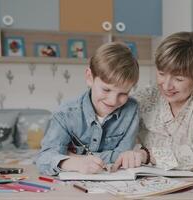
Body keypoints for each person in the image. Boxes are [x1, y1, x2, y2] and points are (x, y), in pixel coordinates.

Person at [112, 31, 193, 171]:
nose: (166, 86)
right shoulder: (147, 97)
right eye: (161, 74)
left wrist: (149, 155)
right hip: (159, 184)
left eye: (178, 79)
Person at [36, 42, 141, 175]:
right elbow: (44, 158)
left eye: (123, 93)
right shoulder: (65, 113)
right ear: (89, 77)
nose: (113, 101)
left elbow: (122, 156)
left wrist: (71, 155)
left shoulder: (131, 110)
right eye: (106, 89)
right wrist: (75, 163)